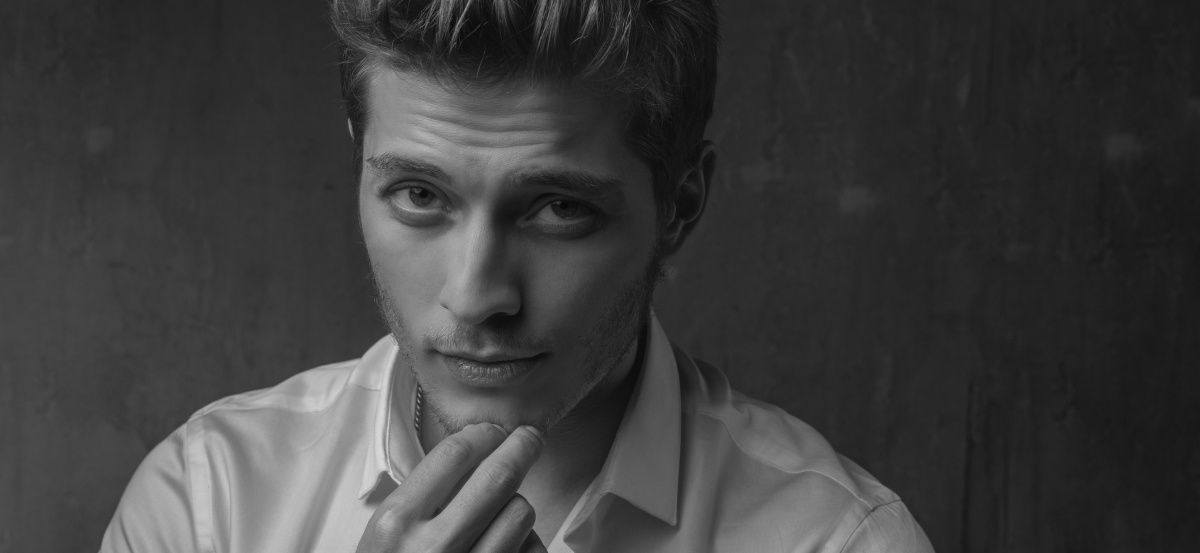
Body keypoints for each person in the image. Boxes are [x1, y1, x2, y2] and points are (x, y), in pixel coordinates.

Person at [100, 1, 935, 551]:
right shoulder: (208, 504)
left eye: (558, 209)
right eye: (419, 194)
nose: (476, 297)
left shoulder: (839, 540)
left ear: (680, 204)